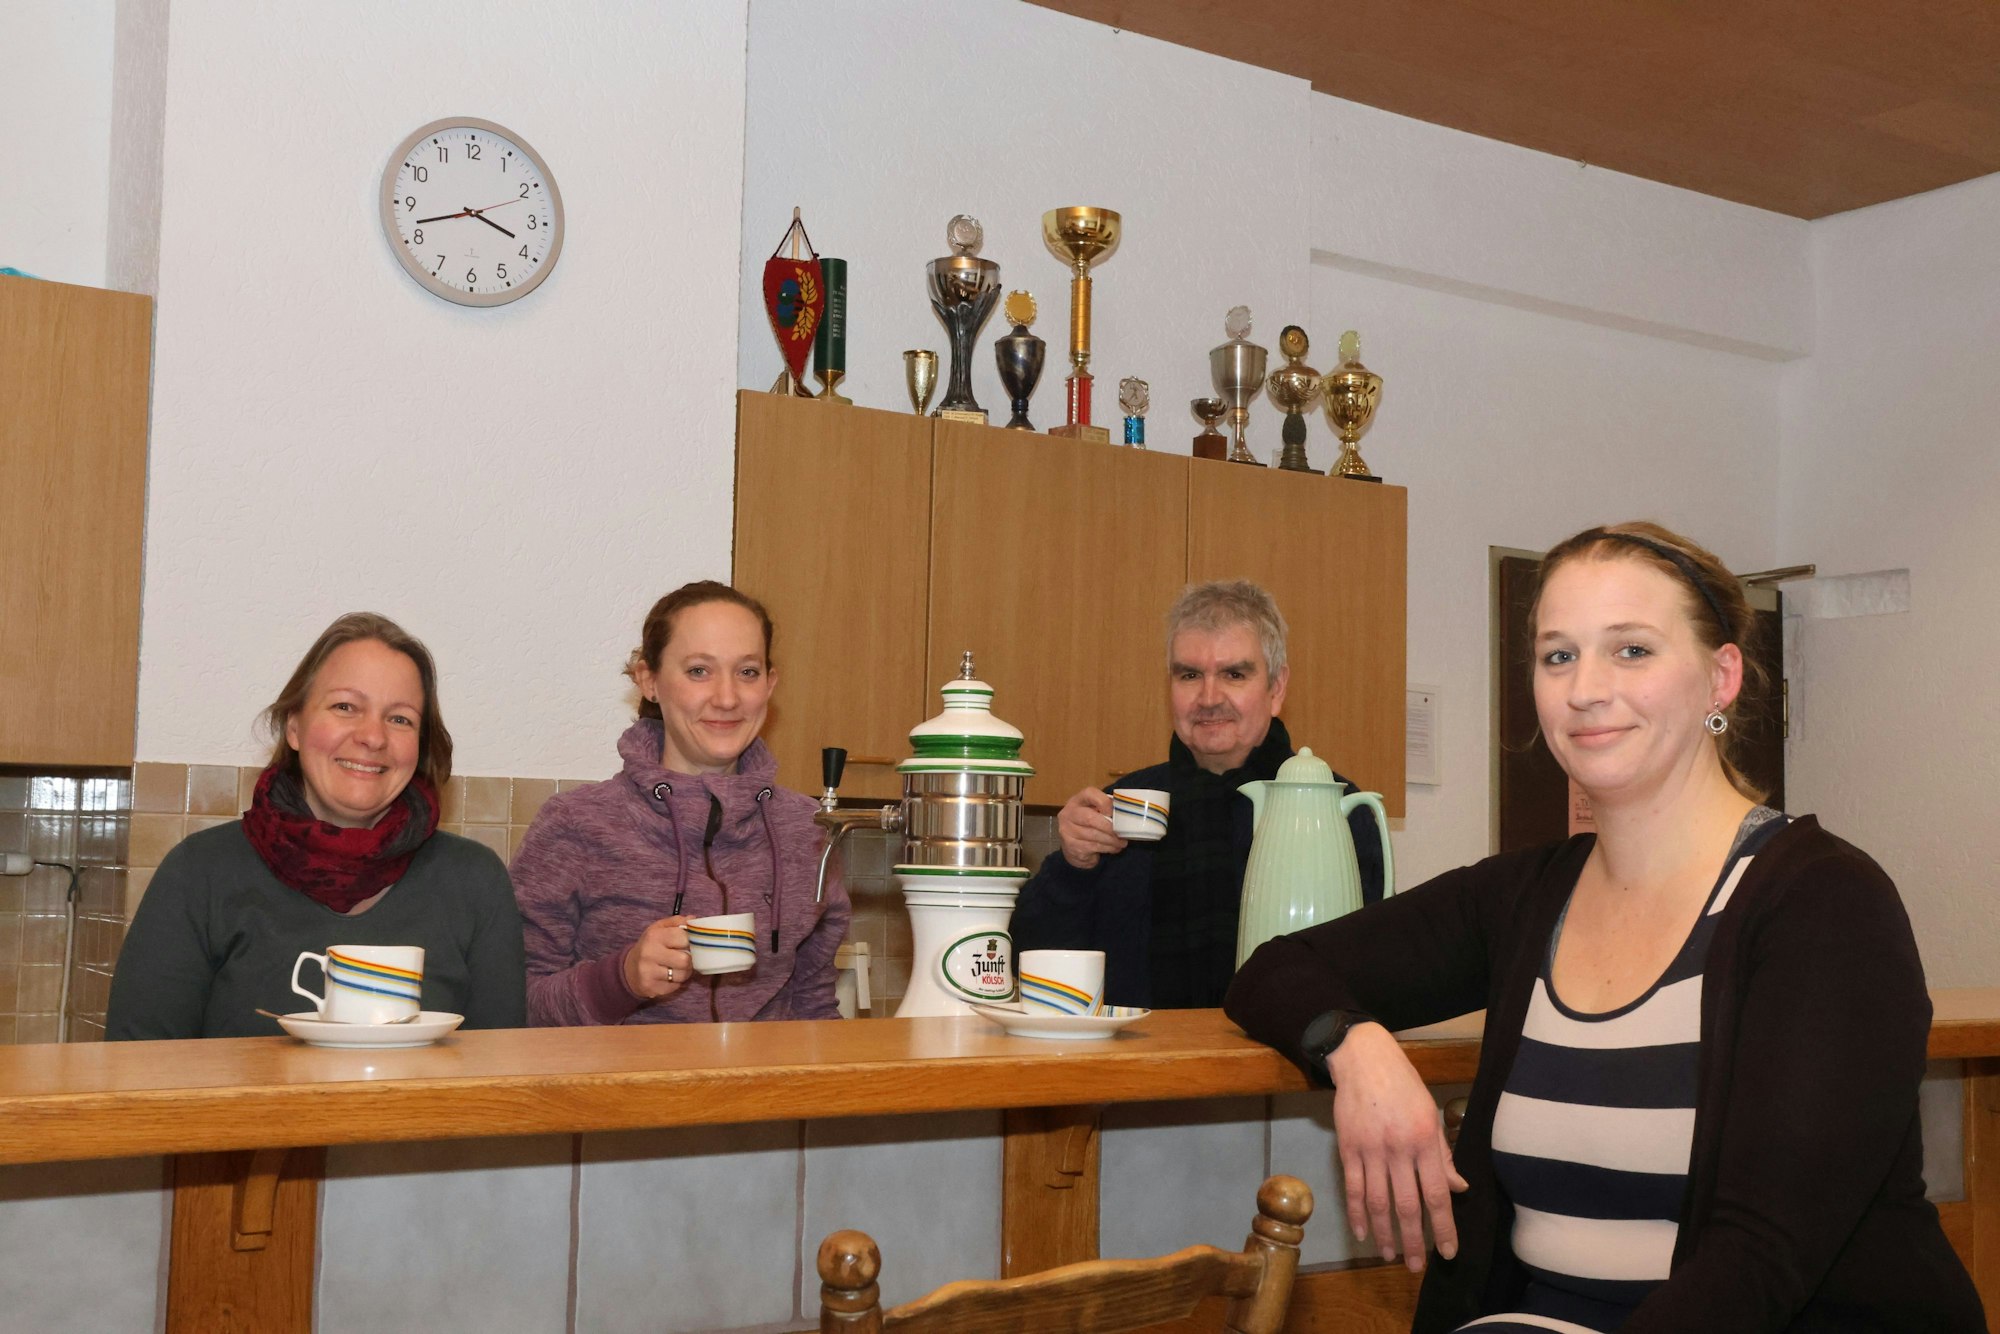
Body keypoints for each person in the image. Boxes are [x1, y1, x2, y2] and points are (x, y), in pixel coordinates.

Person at [1226, 522, 1983, 1332]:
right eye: (1559, 655)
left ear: (1721, 677)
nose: (1585, 688)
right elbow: (1272, 970)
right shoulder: (1524, 896)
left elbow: (1760, 1263)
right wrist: (1356, 1047)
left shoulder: (1824, 904)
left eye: (1631, 650)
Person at [106, 614, 527, 1039]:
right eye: (345, 707)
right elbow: (135, 1073)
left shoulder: (475, 882)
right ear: (294, 726)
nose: (373, 737)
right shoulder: (199, 874)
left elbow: (504, 1081)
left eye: (400, 719)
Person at [1011, 579, 1385, 1010]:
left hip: (1290, 1069)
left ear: (1276, 689)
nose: (1209, 698)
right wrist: (1074, 867)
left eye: (1234, 674)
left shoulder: (1333, 808)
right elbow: (1029, 956)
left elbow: (1368, 965)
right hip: (1143, 1068)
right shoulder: (1122, 806)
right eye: (1189, 675)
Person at [511, 581, 847, 1025]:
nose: (727, 698)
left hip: (765, 1092)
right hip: (620, 1092)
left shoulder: (807, 829)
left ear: (770, 683)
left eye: (747, 672)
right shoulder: (575, 824)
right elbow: (512, 1002)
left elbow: (815, 1006)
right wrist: (621, 979)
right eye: (698, 671)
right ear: (649, 680)